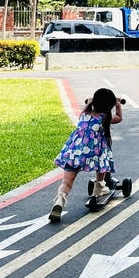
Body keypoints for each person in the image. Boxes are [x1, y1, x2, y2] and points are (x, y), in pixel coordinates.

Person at [49, 88, 122, 222]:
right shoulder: (105, 117)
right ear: (108, 105)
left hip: (75, 152)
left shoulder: (84, 114)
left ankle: (60, 199)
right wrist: (117, 104)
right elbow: (119, 118)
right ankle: (99, 187)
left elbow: (87, 107)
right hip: (94, 154)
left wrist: (89, 102)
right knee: (102, 160)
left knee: (66, 183)